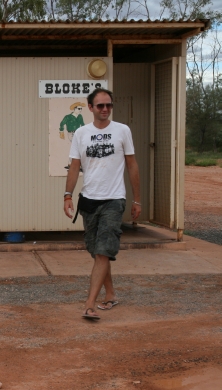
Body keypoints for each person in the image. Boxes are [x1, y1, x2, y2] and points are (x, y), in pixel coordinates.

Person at [63, 88, 141, 320]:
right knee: (96, 250)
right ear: (90, 108)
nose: (105, 109)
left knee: (104, 249)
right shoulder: (81, 133)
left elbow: (132, 165)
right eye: (100, 106)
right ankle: (111, 293)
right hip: (89, 200)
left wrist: (137, 199)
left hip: (114, 199)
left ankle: (90, 304)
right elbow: (75, 166)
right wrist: (67, 195)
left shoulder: (122, 131)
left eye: (108, 105)